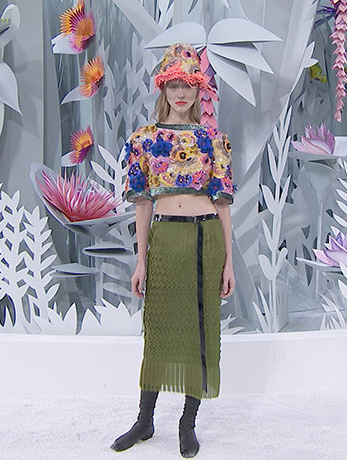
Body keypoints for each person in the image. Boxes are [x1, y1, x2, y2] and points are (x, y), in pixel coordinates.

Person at [110, 43, 236, 458]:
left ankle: (187, 423)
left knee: (201, 329)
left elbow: (222, 205)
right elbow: (142, 204)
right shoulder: (144, 140)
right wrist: (140, 261)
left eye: (189, 85)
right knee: (157, 330)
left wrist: (229, 262)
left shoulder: (213, 140)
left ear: (200, 91)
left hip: (205, 239)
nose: (182, 93)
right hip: (164, 239)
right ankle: (145, 420)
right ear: (163, 89)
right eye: (174, 85)